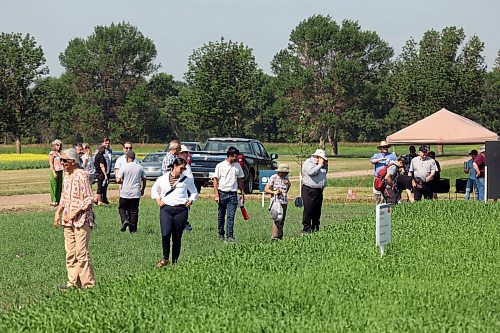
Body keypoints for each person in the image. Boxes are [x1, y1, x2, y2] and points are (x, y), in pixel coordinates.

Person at [53, 148, 95, 289]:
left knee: (81, 252)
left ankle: (88, 284)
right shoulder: (67, 176)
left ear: (73, 161)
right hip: (67, 220)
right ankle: (72, 284)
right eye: (61, 160)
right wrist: (58, 212)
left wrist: (75, 212)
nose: (62, 163)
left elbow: (89, 199)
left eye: (64, 161)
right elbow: (64, 197)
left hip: (82, 219)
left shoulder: (81, 175)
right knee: (70, 253)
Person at [151, 157, 198, 268]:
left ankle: (175, 261)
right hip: (166, 209)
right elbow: (154, 189)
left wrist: (191, 200)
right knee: (165, 233)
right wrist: (158, 200)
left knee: (177, 236)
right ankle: (165, 257)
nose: (183, 170)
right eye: (181, 168)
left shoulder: (187, 179)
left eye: (184, 169)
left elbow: (194, 191)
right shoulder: (162, 179)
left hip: (181, 210)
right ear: (174, 166)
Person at [213, 146, 245, 242]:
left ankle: (230, 236)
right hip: (222, 193)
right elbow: (215, 180)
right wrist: (216, 195)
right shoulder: (220, 166)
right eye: (235, 157)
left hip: (233, 194)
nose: (236, 158)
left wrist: (242, 193)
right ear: (230, 156)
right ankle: (220, 234)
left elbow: (240, 180)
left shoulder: (237, 166)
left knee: (231, 216)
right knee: (221, 215)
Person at [117, 150, 146, 233]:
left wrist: (123, 182)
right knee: (134, 211)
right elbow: (144, 179)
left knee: (122, 208)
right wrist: (143, 189)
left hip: (125, 192)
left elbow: (118, 180)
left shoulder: (124, 167)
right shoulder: (140, 167)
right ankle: (133, 229)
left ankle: (124, 220)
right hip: (136, 193)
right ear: (134, 158)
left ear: (127, 158)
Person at [301, 149, 328, 234]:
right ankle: (306, 229)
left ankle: (315, 228)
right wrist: (319, 164)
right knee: (309, 209)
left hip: (319, 191)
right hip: (310, 190)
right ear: (318, 157)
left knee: (317, 210)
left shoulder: (321, 165)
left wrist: (325, 165)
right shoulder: (308, 163)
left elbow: (324, 173)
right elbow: (311, 172)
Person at [264, 163, 291, 240]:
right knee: (277, 219)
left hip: (284, 201)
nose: (285, 174)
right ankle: (274, 236)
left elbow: (286, 190)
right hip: (276, 202)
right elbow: (266, 189)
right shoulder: (274, 177)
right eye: (284, 172)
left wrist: (289, 184)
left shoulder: (286, 178)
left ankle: (280, 236)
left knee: (282, 219)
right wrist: (274, 192)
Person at [178, 145, 193, 231]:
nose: (187, 155)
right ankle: (183, 224)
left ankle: (184, 222)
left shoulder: (187, 165)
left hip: (188, 189)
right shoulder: (179, 165)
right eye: (185, 153)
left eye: (187, 153)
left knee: (186, 207)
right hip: (182, 188)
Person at [49, 139, 63, 207]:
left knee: (59, 187)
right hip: (54, 171)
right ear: (54, 146)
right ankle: (53, 200)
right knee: (54, 186)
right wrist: (54, 172)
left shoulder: (61, 153)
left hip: (60, 171)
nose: (59, 146)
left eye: (60, 145)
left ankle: (58, 200)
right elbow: (51, 164)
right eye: (57, 145)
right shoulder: (52, 153)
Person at [101, 137, 112, 204]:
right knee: (101, 185)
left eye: (108, 143)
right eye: (106, 143)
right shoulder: (100, 151)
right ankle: (101, 198)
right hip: (102, 171)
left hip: (108, 170)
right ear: (102, 143)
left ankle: (104, 198)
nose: (107, 144)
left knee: (106, 185)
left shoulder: (110, 151)